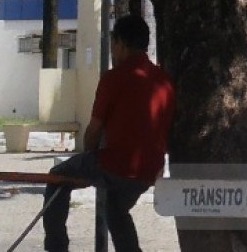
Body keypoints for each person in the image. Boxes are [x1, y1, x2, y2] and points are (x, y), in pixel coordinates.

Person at [42, 14, 175, 252]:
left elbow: (93, 132)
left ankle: (56, 247)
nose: (113, 51)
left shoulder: (114, 79)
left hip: (115, 164)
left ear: (121, 44)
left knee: (56, 177)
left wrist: (87, 158)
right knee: (116, 210)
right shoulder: (164, 80)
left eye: (114, 45)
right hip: (149, 170)